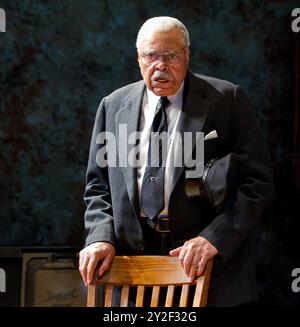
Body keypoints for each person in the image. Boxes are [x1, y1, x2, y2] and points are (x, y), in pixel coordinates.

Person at [79, 16, 273, 306]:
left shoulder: (227, 100)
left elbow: (257, 183)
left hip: (209, 271)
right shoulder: (113, 105)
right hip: (132, 275)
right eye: (151, 56)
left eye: (171, 56)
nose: (161, 65)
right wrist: (99, 236)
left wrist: (214, 239)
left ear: (187, 55)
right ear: (138, 58)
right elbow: (98, 186)